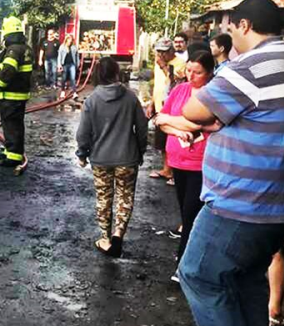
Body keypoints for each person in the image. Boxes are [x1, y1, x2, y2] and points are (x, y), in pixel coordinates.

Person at [178, 0, 284, 326]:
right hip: (272, 207)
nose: (229, 37)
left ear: (246, 25)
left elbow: (196, 110)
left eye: (232, 29)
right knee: (246, 285)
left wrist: (205, 120)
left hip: (240, 206)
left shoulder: (252, 65)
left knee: (197, 274)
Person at [76, 57, 148, 258]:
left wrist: (82, 153)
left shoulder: (91, 100)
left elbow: (83, 133)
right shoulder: (131, 98)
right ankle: (118, 235)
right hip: (128, 158)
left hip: (101, 159)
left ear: (98, 74)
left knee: (104, 198)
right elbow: (142, 129)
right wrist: (140, 151)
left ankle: (105, 240)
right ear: (117, 73)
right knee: (125, 197)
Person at [155, 51, 216, 279]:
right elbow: (161, 119)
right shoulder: (180, 90)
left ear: (209, 73)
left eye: (197, 72)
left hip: (202, 162)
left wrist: (181, 124)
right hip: (178, 160)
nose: (191, 75)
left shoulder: (212, 94)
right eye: (189, 70)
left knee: (192, 214)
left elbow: (205, 122)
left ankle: (183, 264)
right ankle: (189, 259)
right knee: (184, 210)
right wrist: (180, 129)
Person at [0, 16, 33, 168]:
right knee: (13, 125)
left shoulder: (13, 51)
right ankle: (10, 150)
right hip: (19, 94)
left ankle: (14, 156)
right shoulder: (25, 49)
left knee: (11, 125)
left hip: (11, 95)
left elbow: (8, 71)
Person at [149, 38, 186, 185]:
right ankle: (166, 169)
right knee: (161, 142)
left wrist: (164, 66)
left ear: (171, 51)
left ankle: (175, 172)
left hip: (173, 107)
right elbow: (158, 85)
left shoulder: (181, 64)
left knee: (173, 141)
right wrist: (151, 104)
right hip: (160, 105)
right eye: (159, 52)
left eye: (164, 52)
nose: (161, 55)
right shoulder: (158, 64)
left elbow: (175, 83)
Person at [57, 34, 80, 100]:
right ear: (66, 40)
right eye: (69, 39)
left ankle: (74, 93)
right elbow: (59, 56)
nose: (70, 41)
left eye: (71, 40)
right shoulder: (62, 46)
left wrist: (78, 64)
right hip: (64, 64)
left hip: (72, 64)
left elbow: (77, 56)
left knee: (73, 79)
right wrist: (59, 65)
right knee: (63, 79)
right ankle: (63, 92)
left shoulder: (74, 47)